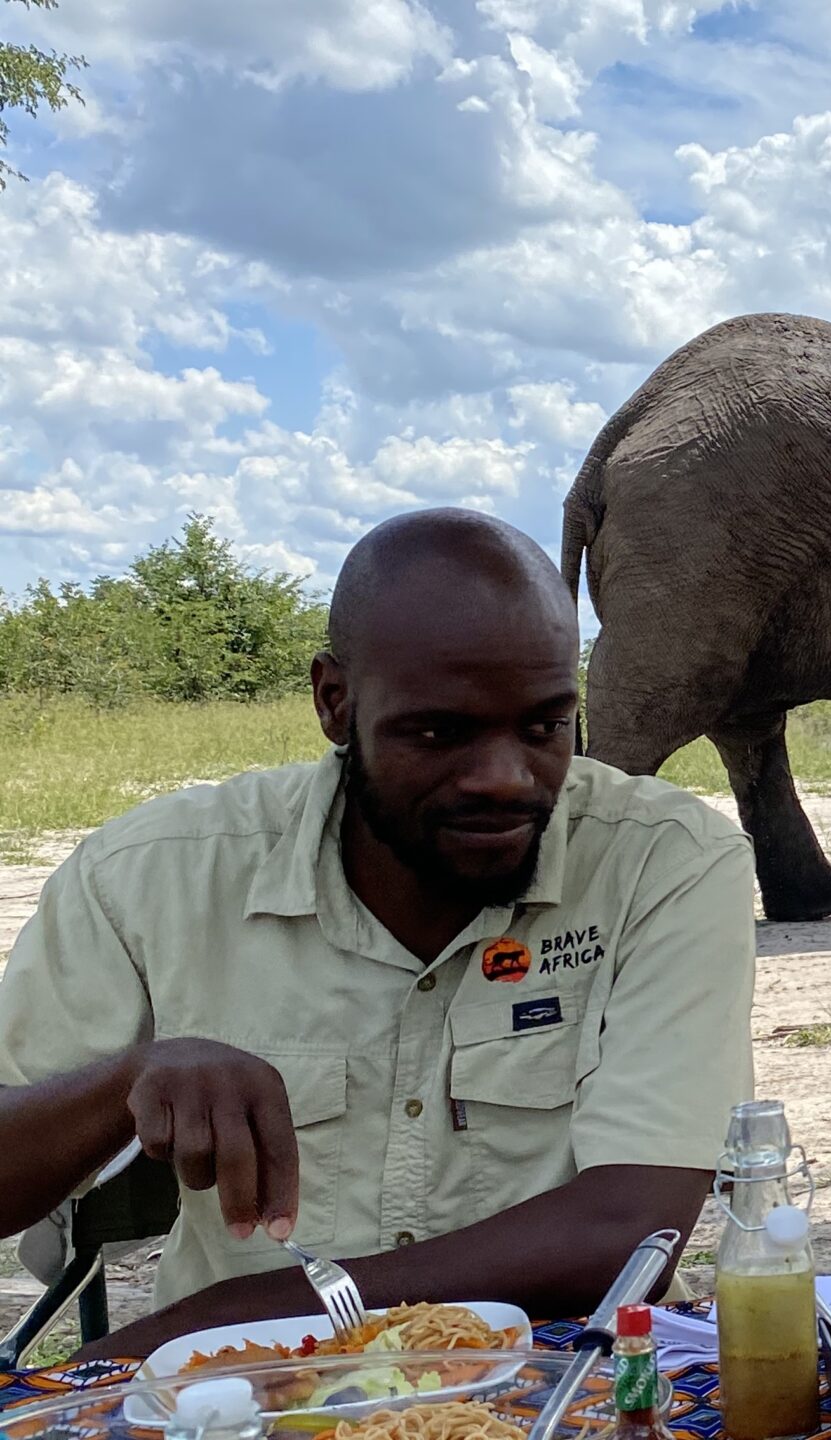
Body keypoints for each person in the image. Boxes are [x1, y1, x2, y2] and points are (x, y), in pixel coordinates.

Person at [0, 508, 757, 1360]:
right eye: (440, 732)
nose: (507, 779)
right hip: (247, 1402)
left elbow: (630, 1231)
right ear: (335, 701)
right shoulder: (149, 876)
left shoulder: (666, 862)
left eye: (545, 726)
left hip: (569, 1385)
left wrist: (234, 1319)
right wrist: (130, 1078)